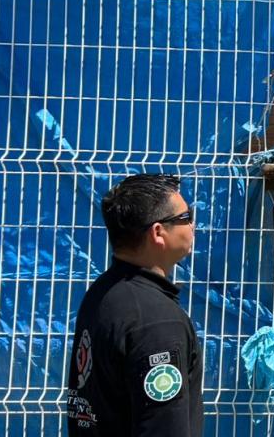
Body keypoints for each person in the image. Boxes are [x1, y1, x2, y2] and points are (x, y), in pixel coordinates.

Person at [66, 174, 202, 435]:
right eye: (186, 217)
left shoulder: (104, 293)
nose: (192, 225)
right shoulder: (157, 321)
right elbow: (162, 428)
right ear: (158, 232)